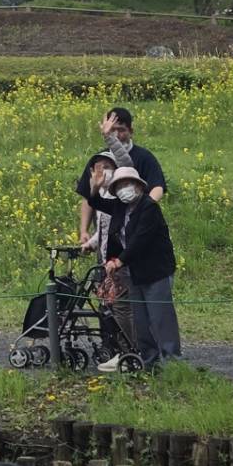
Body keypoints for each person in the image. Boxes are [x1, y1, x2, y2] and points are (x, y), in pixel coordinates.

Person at [103, 166, 181, 367]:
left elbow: (141, 239)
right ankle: (149, 360)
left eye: (127, 184)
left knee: (160, 317)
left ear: (138, 185)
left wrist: (120, 260)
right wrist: (112, 260)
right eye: (119, 185)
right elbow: (114, 234)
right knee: (140, 320)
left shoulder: (149, 207)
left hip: (155, 271)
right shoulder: (119, 208)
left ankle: (172, 361)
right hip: (133, 273)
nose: (124, 189)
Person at [76, 150, 137, 370]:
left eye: (106, 166)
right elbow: (101, 231)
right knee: (108, 307)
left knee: (121, 308)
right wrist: (90, 244)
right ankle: (115, 349)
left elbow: (118, 231)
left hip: (119, 262)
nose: (102, 171)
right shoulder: (101, 199)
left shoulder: (119, 198)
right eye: (97, 167)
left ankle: (129, 352)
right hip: (104, 261)